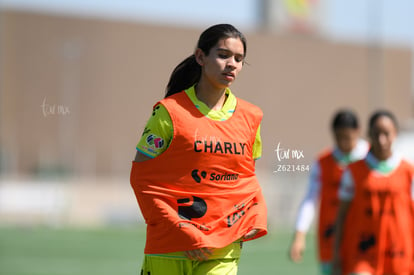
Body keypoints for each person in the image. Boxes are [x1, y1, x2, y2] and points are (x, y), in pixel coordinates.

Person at [130, 24, 268, 275]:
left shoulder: (252, 116)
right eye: (223, 55)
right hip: (170, 244)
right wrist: (182, 230)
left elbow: (244, 181)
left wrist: (253, 214)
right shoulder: (169, 112)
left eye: (239, 59)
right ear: (200, 56)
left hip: (222, 246)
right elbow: (141, 179)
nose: (232, 64)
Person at [332, 110, 414, 275]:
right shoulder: (353, 172)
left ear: (395, 134)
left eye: (386, 134)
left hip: (400, 254)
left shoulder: (408, 171)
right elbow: (341, 215)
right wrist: (336, 254)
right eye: (376, 134)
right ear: (369, 134)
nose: (381, 140)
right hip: (364, 251)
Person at [289, 110, 369, 275]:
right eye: (339, 137)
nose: (343, 143)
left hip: (362, 237)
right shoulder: (323, 162)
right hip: (330, 237)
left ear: (357, 131)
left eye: (347, 137)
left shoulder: (369, 158)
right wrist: (299, 235)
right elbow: (310, 199)